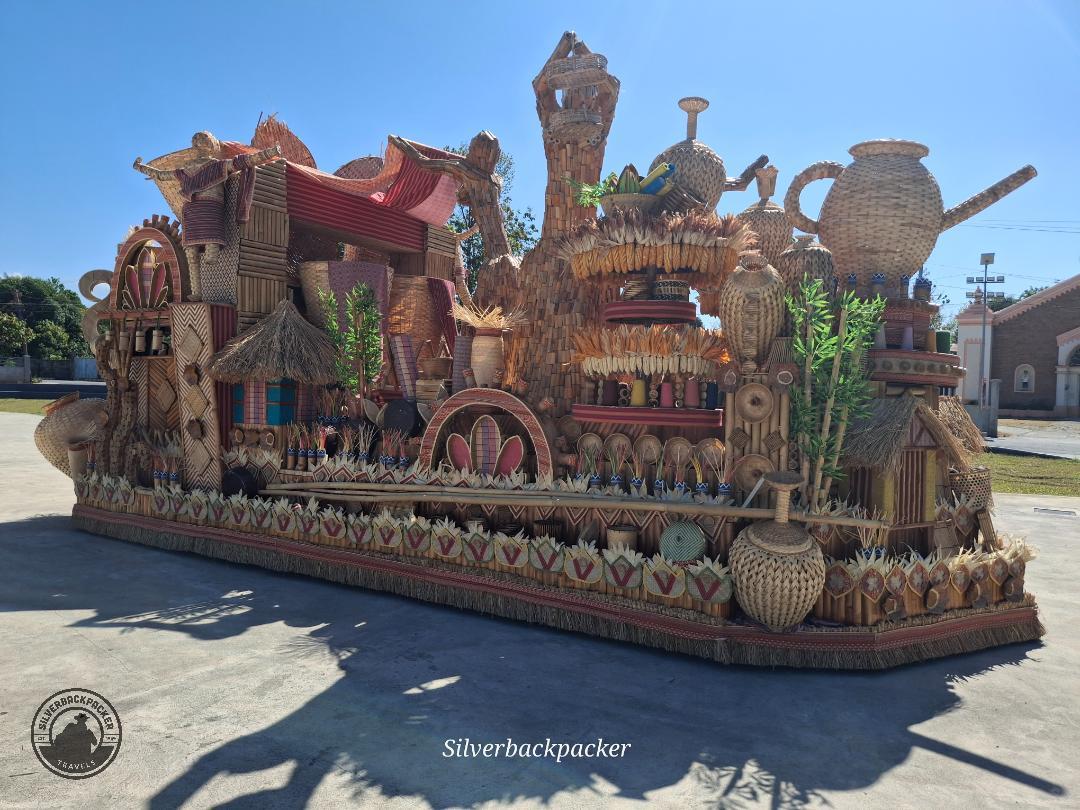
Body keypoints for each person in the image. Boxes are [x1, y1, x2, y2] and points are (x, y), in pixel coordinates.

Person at [133, 133, 280, 300]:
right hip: (203, 210)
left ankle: (198, 289)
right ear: (211, 146)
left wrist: (140, 167)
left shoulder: (190, 171)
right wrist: (270, 152)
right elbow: (244, 161)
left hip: (198, 211)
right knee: (200, 251)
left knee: (196, 254)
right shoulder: (213, 167)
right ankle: (198, 288)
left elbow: (160, 175)